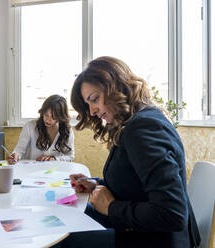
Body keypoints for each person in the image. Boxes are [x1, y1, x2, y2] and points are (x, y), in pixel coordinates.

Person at [64, 56, 201, 248]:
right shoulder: (137, 122)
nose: (92, 111)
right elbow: (136, 184)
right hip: (142, 230)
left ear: (116, 88)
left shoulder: (143, 128)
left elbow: (172, 213)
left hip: (158, 240)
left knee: (66, 239)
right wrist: (95, 184)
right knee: (71, 217)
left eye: (94, 99)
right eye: (88, 104)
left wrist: (111, 207)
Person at [7, 94, 75, 164]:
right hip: (30, 170)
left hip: (55, 172)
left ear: (61, 117)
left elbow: (70, 156)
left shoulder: (67, 131)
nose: (48, 120)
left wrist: (54, 159)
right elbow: (19, 150)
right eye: (46, 115)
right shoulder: (30, 126)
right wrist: (15, 155)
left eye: (53, 117)